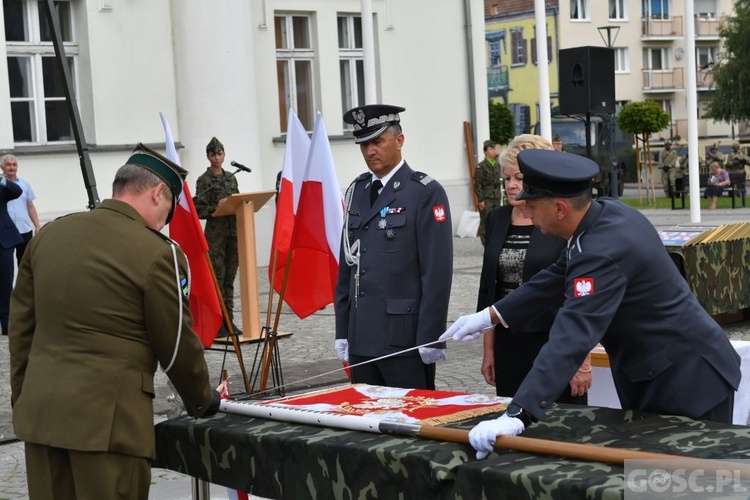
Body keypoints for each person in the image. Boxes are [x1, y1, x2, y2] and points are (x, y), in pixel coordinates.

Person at [440, 149, 741, 459]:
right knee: (658, 479)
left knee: (689, 483)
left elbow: (572, 336)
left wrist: (519, 413)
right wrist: (490, 315)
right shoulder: (604, 214)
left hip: (686, 381)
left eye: (531, 206)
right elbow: (556, 277)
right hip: (661, 371)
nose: (526, 214)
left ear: (559, 208)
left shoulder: (600, 251)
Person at [9, 143, 221, 498]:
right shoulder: (158, 252)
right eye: (167, 211)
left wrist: (25, 399)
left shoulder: (49, 237)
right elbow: (175, 348)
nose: (163, 223)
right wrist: (202, 399)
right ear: (157, 194)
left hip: (42, 418)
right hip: (109, 427)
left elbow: (22, 333)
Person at [335, 104, 453, 390]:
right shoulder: (357, 190)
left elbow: (436, 274)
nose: (369, 151)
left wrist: (431, 336)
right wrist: (343, 330)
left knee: (411, 418)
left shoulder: (424, 192)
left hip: (404, 338)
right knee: (365, 421)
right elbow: (347, 266)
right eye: (363, 144)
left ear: (399, 140)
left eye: (377, 141)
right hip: (361, 335)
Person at [478, 135, 590, 403]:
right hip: (509, 343)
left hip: (554, 343)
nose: (512, 185)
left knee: (560, 431)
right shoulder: (497, 218)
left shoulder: (559, 221)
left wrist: (581, 360)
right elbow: (489, 290)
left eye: (518, 177)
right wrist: (489, 349)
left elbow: (581, 297)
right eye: (507, 179)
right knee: (514, 427)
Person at [194, 137, 241, 336]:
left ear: (224, 155)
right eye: (213, 154)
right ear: (208, 156)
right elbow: (198, 208)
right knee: (217, 280)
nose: (217, 158)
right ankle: (217, 322)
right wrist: (216, 207)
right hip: (216, 237)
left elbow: (239, 200)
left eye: (220, 154)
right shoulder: (204, 180)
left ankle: (229, 321)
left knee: (229, 279)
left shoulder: (231, 177)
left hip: (233, 234)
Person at [1, 154, 40, 265]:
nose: (12, 168)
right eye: (8, 165)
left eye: (14, 165)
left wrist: (37, 226)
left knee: (25, 262)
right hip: (5, 231)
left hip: (24, 229)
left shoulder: (24, 184)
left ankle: (22, 283)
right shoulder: (1, 185)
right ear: (1, 167)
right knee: (5, 264)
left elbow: (30, 206)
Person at [0, 175, 22, 336]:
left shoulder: (2, 187)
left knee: (5, 283)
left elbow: (17, 191)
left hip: (4, 242)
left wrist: (1, 179)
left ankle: (7, 323)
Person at [473, 140, 502, 246]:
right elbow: (478, 184)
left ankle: (495, 242)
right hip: (486, 197)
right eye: (490, 149)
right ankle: (486, 243)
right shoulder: (481, 166)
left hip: (496, 196)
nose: (493, 151)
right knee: (485, 221)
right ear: (485, 152)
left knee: (496, 219)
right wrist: (480, 200)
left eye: (494, 149)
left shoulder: (497, 165)